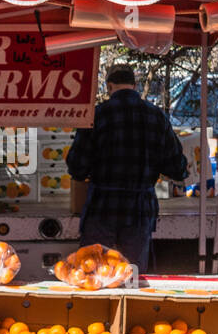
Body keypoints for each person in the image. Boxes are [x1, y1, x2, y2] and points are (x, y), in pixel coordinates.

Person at [66, 64, 189, 273]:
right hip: (140, 210)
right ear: (135, 85)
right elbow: (177, 168)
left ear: (109, 86)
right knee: (131, 274)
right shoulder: (157, 117)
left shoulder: (96, 116)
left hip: (102, 207)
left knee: (92, 272)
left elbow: (77, 167)